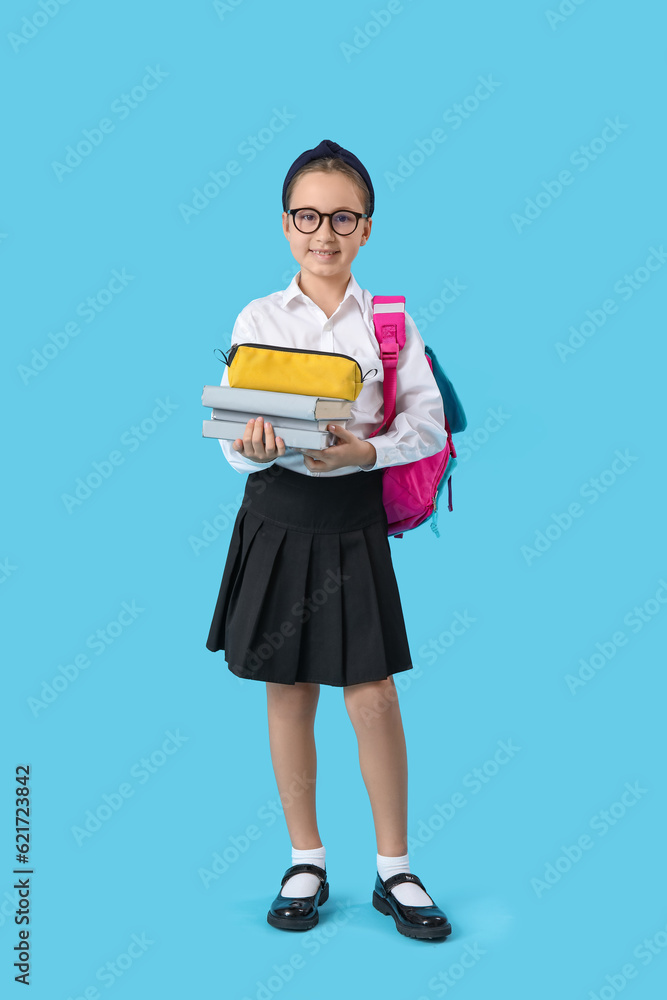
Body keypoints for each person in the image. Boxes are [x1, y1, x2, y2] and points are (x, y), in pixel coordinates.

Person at [206, 139, 453, 940]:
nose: (324, 232)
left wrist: (364, 452)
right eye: (308, 216)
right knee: (288, 689)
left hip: (351, 519)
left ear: (367, 229)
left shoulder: (389, 322)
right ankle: (304, 857)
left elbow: (426, 422)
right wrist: (244, 444)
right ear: (285, 226)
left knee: (372, 695)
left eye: (342, 217)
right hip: (275, 515)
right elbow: (227, 426)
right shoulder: (257, 317)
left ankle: (395, 869)